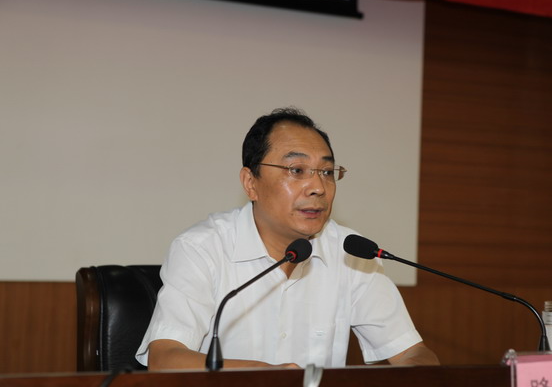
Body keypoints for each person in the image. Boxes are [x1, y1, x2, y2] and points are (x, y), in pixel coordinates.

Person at [136, 107, 439, 370]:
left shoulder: (352, 253)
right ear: (250, 183)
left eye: (327, 171)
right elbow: (165, 359)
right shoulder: (202, 249)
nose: (318, 187)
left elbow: (411, 352)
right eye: (297, 170)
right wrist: (268, 378)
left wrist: (420, 377)